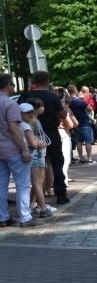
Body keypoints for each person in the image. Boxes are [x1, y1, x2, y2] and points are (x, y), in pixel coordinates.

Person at [18, 70, 69, 205]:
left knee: (37, 167)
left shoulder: (26, 95)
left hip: (31, 133)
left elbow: (18, 113)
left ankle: (34, 199)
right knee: (57, 163)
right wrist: (62, 102)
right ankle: (61, 194)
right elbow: (63, 115)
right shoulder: (52, 97)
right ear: (47, 81)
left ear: (34, 81)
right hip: (51, 132)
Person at [0, 74, 36, 227]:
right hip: (13, 148)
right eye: (13, 85)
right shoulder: (11, 104)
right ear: (8, 85)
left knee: (1, 185)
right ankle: (25, 217)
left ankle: (3, 217)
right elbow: (14, 128)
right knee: (22, 184)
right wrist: (24, 149)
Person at [19, 102, 55, 219]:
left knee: (39, 181)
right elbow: (33, 143)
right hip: (32, 152)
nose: (30, 114)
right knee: (37, 182)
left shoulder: (27, 124)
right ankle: (42, 208)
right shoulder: (26, 126)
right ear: (21, 114)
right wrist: (39, 142)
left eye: (31, 112)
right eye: (26, 113)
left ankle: (35, 204)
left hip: (34, 152)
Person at [68, 85, 96, 164]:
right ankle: (89, 158)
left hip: (75, 124)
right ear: (75, 90)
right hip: (84, 122)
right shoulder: (79, 101)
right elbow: (90, 108)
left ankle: (81, 158)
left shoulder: (68, 101)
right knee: (88, 141)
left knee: (79, 141)